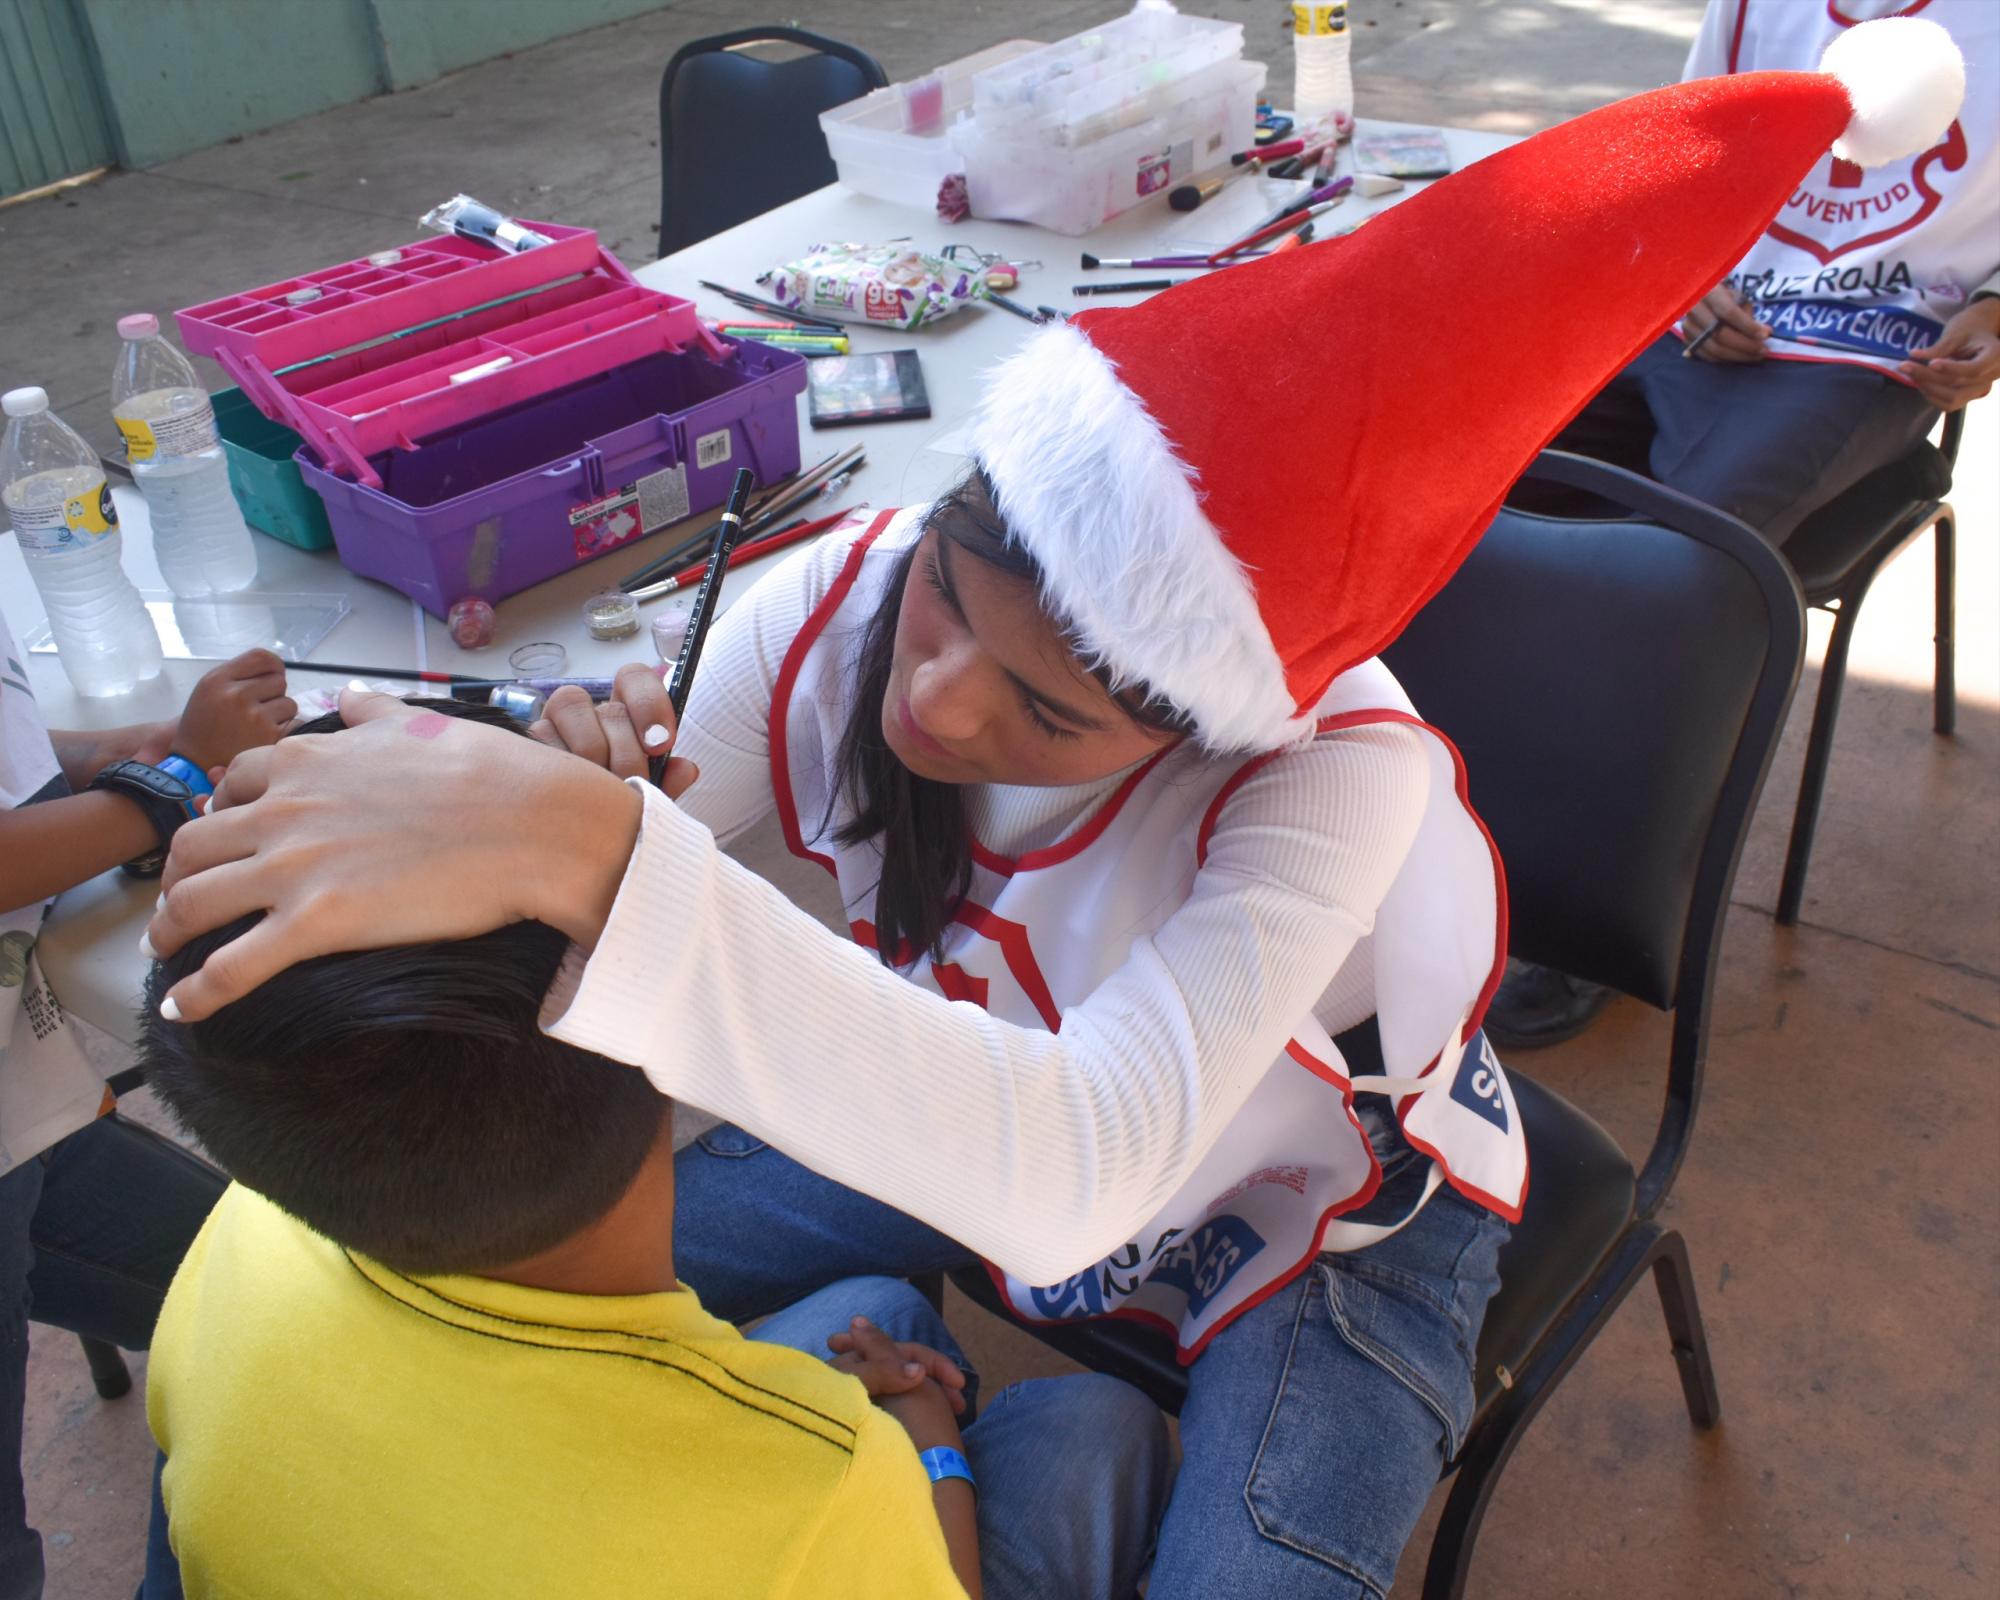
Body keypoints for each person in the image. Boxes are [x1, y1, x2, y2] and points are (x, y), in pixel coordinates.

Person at [142, 31, 1962, 1599]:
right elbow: (655, 906)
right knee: (479, 1252)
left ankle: (920, 1402)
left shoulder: (1337, 789)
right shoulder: (846, 586)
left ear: (1193, 718)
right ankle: (921, 1385)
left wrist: (598, 852)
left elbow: (1086, 1168)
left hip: (1312, 1227)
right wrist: (578, 784)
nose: (935, 699)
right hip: (953, 1112)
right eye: (948, 599)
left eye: (1047, 709)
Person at [135, 700, 1171, 1600]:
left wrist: (581, 833)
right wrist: (923, 1442)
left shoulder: (246, 1228)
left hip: (438, 1500)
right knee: (1091, 1426)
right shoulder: (823, 1485)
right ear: (663, 1031)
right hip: (769, 1523)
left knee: (885, 1313)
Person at [1491, 0, 1998, 1050]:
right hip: (1701, 314)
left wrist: (1994, 318)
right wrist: (1688, 269)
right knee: (1472, 446)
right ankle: (1420, 818)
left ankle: (1595, 908)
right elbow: (1687, 158)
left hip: (1876, 350)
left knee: (1679, 563)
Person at [0, 627, 289, 1600]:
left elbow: (18, 754)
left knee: (273, 1319)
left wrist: (151, 745)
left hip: (22, 1116)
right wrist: (158, 783)